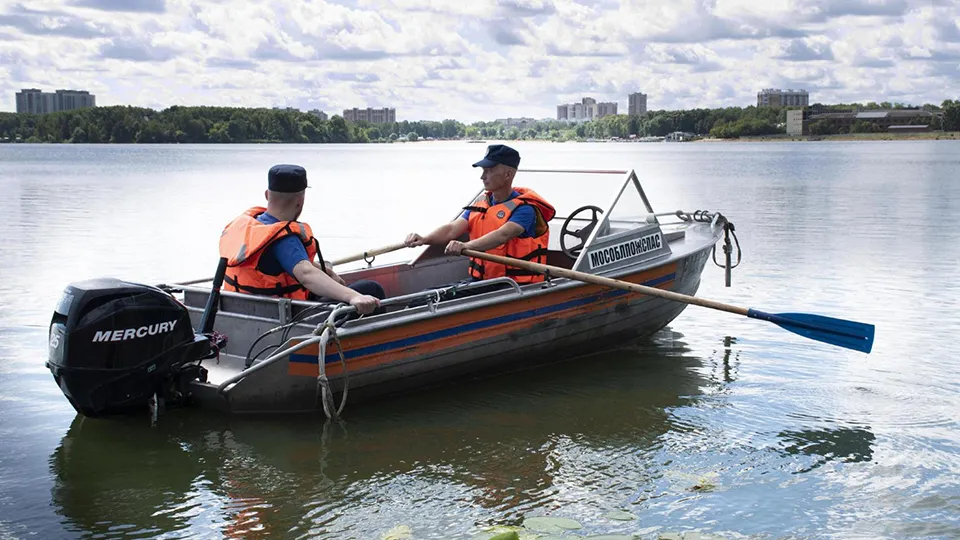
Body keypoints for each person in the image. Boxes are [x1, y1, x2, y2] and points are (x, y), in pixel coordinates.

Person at [219, 164, 384, 315]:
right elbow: (305, 274)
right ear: (300, 202)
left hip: (246, 313)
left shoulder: (250, 226)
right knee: (371, 289)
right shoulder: (283, 238)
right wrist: (354, 297)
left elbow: (276, 264)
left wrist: (325, 271)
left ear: (267, 195)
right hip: (287, 320)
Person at [404, 144, 556, 285]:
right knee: (426, 297)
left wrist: (465, 246)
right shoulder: (482, 203)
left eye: (489, 170)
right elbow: (452, 229)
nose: (482, 176)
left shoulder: (525, 209)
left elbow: (502, 235)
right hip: (483, 281)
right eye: (483, 171)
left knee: (430, 300)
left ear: (508, 174)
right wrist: (424, 239)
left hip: (513, 287)